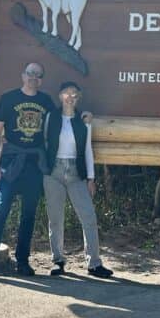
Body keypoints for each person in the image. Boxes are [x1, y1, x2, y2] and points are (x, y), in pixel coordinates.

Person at [0, 62, 55, 283]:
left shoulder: (46, 102)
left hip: (34, 164)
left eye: (38, 75)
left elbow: (54, 129)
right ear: (23, 76)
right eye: (30, 74)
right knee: (0, 211)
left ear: (41, 80)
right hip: (10, 162)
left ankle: (22, 261)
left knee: (28, 214)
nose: (33, 78)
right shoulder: (9, 99)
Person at [42, 81, 113, 278]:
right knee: (55, 219)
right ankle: (58, 261)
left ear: (78, 98)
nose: (70, 97)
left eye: (74, 94)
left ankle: (94, 263)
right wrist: (44, 170)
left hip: (76, 172)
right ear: (60, 96)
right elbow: (45, 143)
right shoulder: (51, 117)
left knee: (89, 217)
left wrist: (91, 178)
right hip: (53, 172)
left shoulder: (84, 120)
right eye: (67, 93)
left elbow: (87, 149)